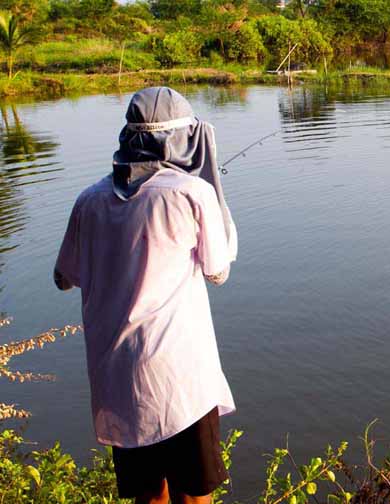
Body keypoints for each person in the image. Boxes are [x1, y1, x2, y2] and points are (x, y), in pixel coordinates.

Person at [54, 87, 238, 504]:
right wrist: (214, 192)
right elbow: (218, 271)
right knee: (194, 496)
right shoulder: (192, 194)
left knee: (148, 496)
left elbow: (64, 277)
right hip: (179, 381)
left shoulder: (89, 199)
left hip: (117, 379)